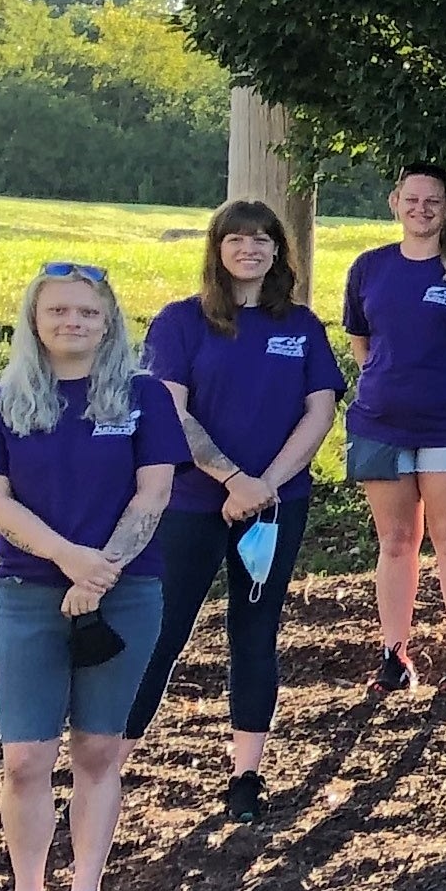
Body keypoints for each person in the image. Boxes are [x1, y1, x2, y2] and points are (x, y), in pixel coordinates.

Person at [0, 261, 187, 891]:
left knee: (97, 749)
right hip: (29, 594)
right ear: (35, 319)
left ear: (109, 321)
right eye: (59, 311)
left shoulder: (144, 398)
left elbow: (153, 494)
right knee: (26, 759)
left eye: (87, 313)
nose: (73, 323)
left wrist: (101, 573)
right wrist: (70, 561)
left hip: (126, 593)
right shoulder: (1, 402)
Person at [130, 202, 341, 824]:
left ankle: (246, 775)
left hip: (275, 507)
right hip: (192, 503)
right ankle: (107, 767)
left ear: (279, 251)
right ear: (217, 248)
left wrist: (266, 484)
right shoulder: (181, 322)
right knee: (162, 634)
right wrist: (230, 477)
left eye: (262, 240)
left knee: (254, 634)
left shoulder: (300, 326)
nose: (250, 249)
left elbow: (320, 411)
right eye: (237, 239)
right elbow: (171, 412)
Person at [341, 162, 446, 692]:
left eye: (432, 201)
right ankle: (395, 655)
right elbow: (361, 340)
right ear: (395, 202)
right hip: (381, 423)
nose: (421, 209)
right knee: (395, 541)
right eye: (411, 200)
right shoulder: (369, 267)